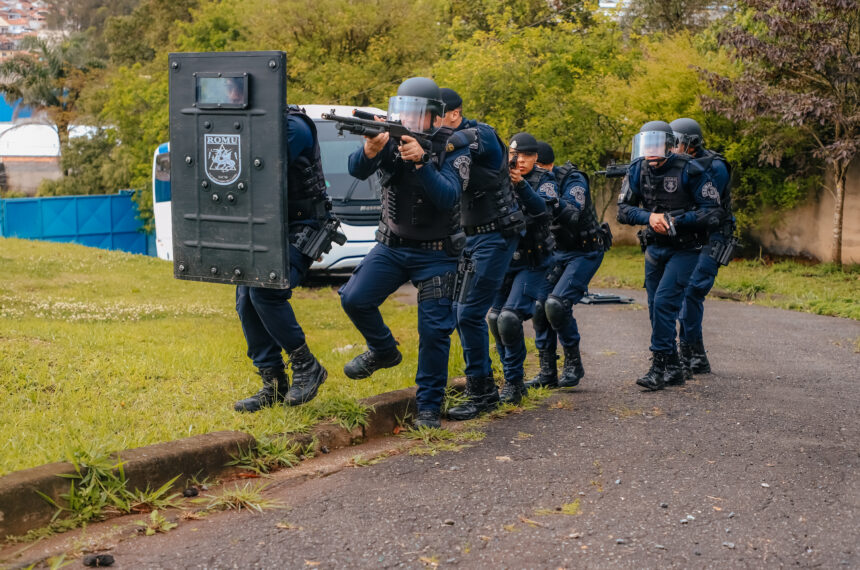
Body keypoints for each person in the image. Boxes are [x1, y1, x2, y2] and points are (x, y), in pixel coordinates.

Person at [339, 77, 470, 429]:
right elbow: (357, 169)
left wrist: (422, 162)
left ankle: (428, 407)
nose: (409, 120)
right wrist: (369, 150)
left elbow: (447, 196)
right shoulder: (389, 138)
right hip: (392, 246)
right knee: (354, 298)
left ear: (435, 117)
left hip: (437, 254)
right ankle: (383, 351)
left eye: (418, 114)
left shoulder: (454, 147)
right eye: (403, 112)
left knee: (433, 332)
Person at [233, 106, 332, 412]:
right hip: (267, 224)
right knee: (245, 298)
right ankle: (273, 383)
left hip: (304, 224)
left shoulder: (292, 126)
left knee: (266, 291)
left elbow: (258, 172)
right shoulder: (249, 122)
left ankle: (307, 366)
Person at [437, 89, 526, 421]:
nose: (432, 123)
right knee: (461, 311)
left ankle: (483, 394)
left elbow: (465, 140)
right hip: (471, 238)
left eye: (437, 116)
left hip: (496, 234)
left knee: (470, 313)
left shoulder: (481, 134)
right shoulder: (447, 140)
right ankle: (490, 386)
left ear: (454, 114)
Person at [616, 120, 722, 391]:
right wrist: (650, 217)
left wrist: (678, 220)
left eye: (656, 143)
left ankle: (658, 366)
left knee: (665, 302)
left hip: (686, 248)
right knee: (654, 305)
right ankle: (674, 367)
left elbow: (712, 212)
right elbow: (623, 211)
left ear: (670, 145)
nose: (650, 150)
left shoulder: (691, 170)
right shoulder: (637, 169)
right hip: (654, 247)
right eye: (646, 143)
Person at [529, 142, 610, 390]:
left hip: (585, 251)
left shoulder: (572, 179)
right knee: (539, 305)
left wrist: (550, 200)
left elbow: (573, 211)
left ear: (542, 164)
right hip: (558, 252)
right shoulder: (528, 182)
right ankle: (547, 371)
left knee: (557, 304)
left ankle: (573, 363)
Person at [485, 132, 556, 405]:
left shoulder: (544, 180)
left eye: (526, 155)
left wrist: (522, 185)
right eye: (515, 155)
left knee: (509, 319)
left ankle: (514, 384)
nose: (520, 160)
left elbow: (543, 211)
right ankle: (510, 377)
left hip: (533, 261)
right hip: (504, 260)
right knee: (494, 318)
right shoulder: (498, 180)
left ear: (536, 157)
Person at [670, 118, 732, 376]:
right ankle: (694, 355)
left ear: (690, 143)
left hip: (713, 237)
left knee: (692, 291)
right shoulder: (678, 164)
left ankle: (691, 354)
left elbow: (703, 206)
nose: (671, 148)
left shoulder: (715, 167)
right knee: (682, 293)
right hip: (690, 237)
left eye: (675, 142)